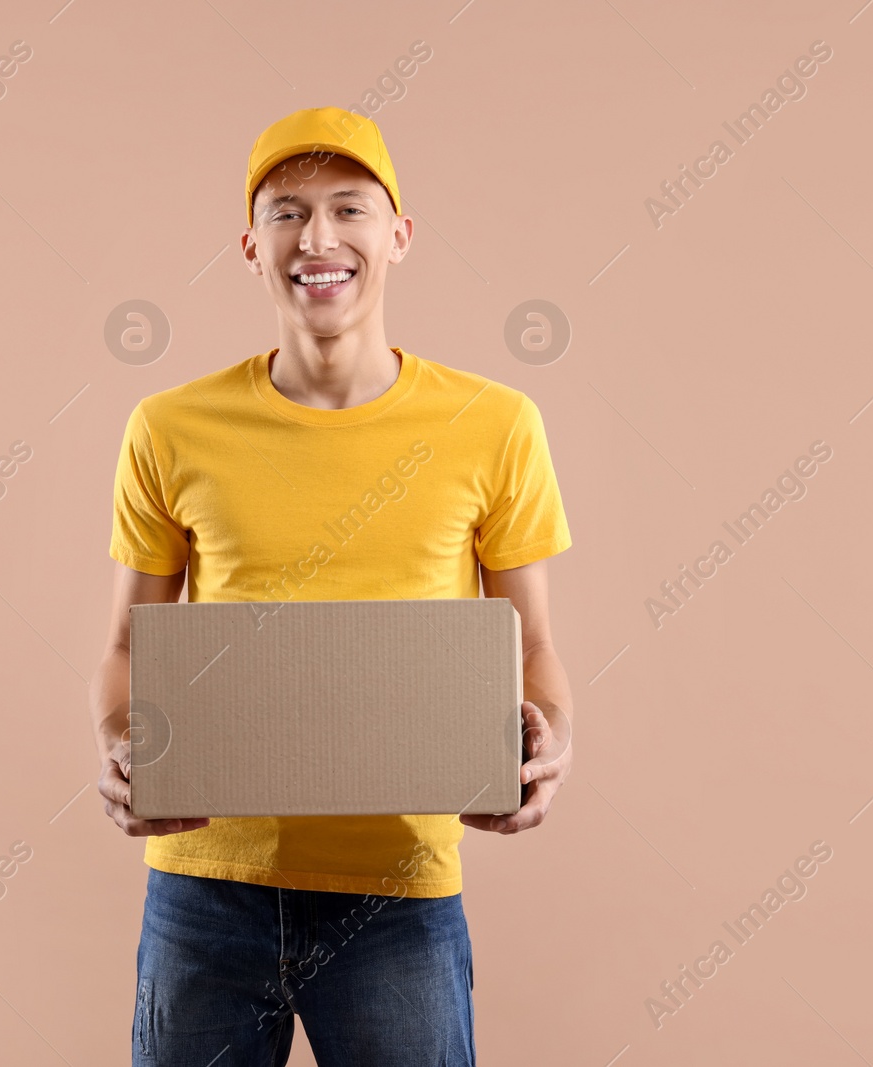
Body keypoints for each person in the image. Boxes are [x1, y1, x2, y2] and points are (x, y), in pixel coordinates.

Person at [94, 105, 575, 1066]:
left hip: (398, 887)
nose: (318, 238)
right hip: (204, 886)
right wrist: (119, 747)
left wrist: (548, 740)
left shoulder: (495, 424)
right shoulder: (169, 426)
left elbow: (529, 646)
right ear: (250, 245)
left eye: (349, 209)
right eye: (287, 212)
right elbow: (126, 648)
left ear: (397, 237)